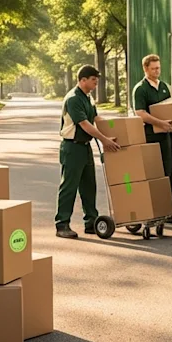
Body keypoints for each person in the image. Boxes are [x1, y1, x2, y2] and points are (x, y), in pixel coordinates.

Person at [56, 65, 120, 238]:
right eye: (93, 79)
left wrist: (115, 131)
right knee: (69, 186)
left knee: (89, 186)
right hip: (72, 147)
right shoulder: (74, 98)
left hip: (84, 147)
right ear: (83, 80)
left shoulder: (88, 98)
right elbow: (85, 124)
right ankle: (62, 224)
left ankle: (91, 222)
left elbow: (96, 118)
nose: (96, 82)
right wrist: (104, 140)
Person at [133, 54, 172, 224]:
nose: (157, 71)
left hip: (164, 137)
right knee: (152, 174)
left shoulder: (163, 87)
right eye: (153, 68)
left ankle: (166, 212)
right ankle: (151, 211)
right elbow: (140, 113)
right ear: (145, 69)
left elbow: (168, 107)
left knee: (165, 174)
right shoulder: (140, 89)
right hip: (150, 136)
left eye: (158, 68)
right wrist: (159, 122)